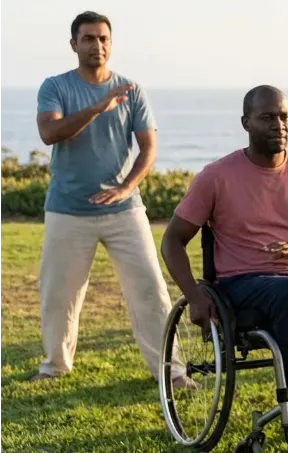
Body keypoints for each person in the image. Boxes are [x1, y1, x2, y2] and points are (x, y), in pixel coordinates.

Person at [160, 85, 288, 448]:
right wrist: (193, 297)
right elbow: (172, 241)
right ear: (246, 123)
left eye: (285, 117)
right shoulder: (217, 175)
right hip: (241, 285)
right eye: (267, 117)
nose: (279, 125)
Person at [30, 10, 188, 388]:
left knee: (150, 288)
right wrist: (99, 107)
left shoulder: (131, 90)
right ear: (74, 45)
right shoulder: (55, 87)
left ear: (110, 44)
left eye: (103, 39)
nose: (97, 45)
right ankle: (55, 365)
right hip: (67, 208)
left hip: (124, 209)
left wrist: (127, 185)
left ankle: (172, 371)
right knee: (58, 294)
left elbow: (148, 147)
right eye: (88, 39)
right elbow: (49, 132)